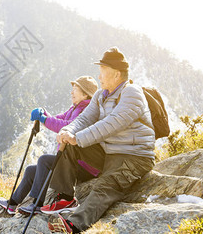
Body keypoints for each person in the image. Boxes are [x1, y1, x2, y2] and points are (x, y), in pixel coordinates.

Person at [44, 47, 155, 233]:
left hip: (134, 156)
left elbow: (111, 124)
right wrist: (67, 131)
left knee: (106, 185)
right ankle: (65, 197)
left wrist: (77, 138)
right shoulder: (100, 95)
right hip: (108, 153)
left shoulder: (132, 93)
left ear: (117, 74)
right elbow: (84, 119)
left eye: (103, 71)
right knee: (70, 146)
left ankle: (74, 225)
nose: (100, 76)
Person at [0, 76, 99, 215]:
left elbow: (67, 126)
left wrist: (44, 119)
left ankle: (37, 205)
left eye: (75, 89)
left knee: (44, 161)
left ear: (85, 94)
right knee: (31, 170)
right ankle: (12, 204)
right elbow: (59, 119)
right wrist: (44, 114)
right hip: (70, 162)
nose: (71, 92)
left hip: (82, 165)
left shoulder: (86, 110)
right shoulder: (76, 107)